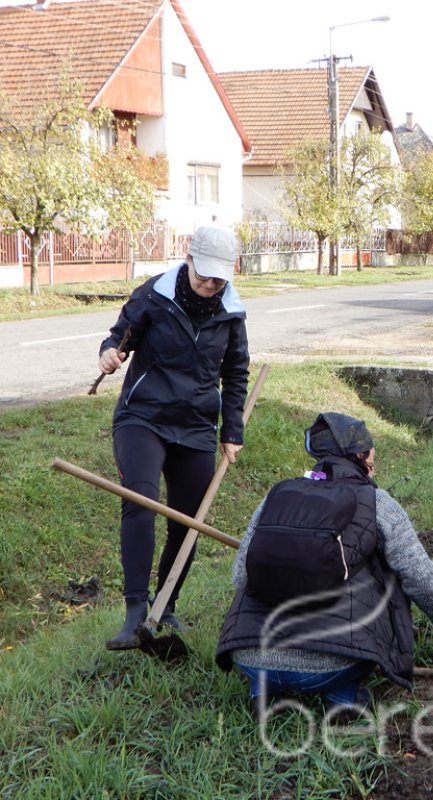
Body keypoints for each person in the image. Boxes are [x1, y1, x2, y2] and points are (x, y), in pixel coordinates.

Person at [215, 412, 433, 715]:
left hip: (250, 654)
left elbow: (240, 576)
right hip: (334, 661)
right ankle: (342, 697)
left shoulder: (277, 496)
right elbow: (419, 576)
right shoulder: (378, 502)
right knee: (383, 568)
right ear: (362, 457)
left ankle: (264, 690)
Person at [99, 226, 250, 650]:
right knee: (140, 501)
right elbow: (118, 336)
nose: (210, 285)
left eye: (219, 278)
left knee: (188, 522)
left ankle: (165, 606)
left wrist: (231, 432)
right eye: (204, 275)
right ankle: (133, 614)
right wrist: (109, 353)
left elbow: (236, 373)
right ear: (189, 260)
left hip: (196, 425)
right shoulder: (154, 295)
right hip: (142, 416)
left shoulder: (232, 312)